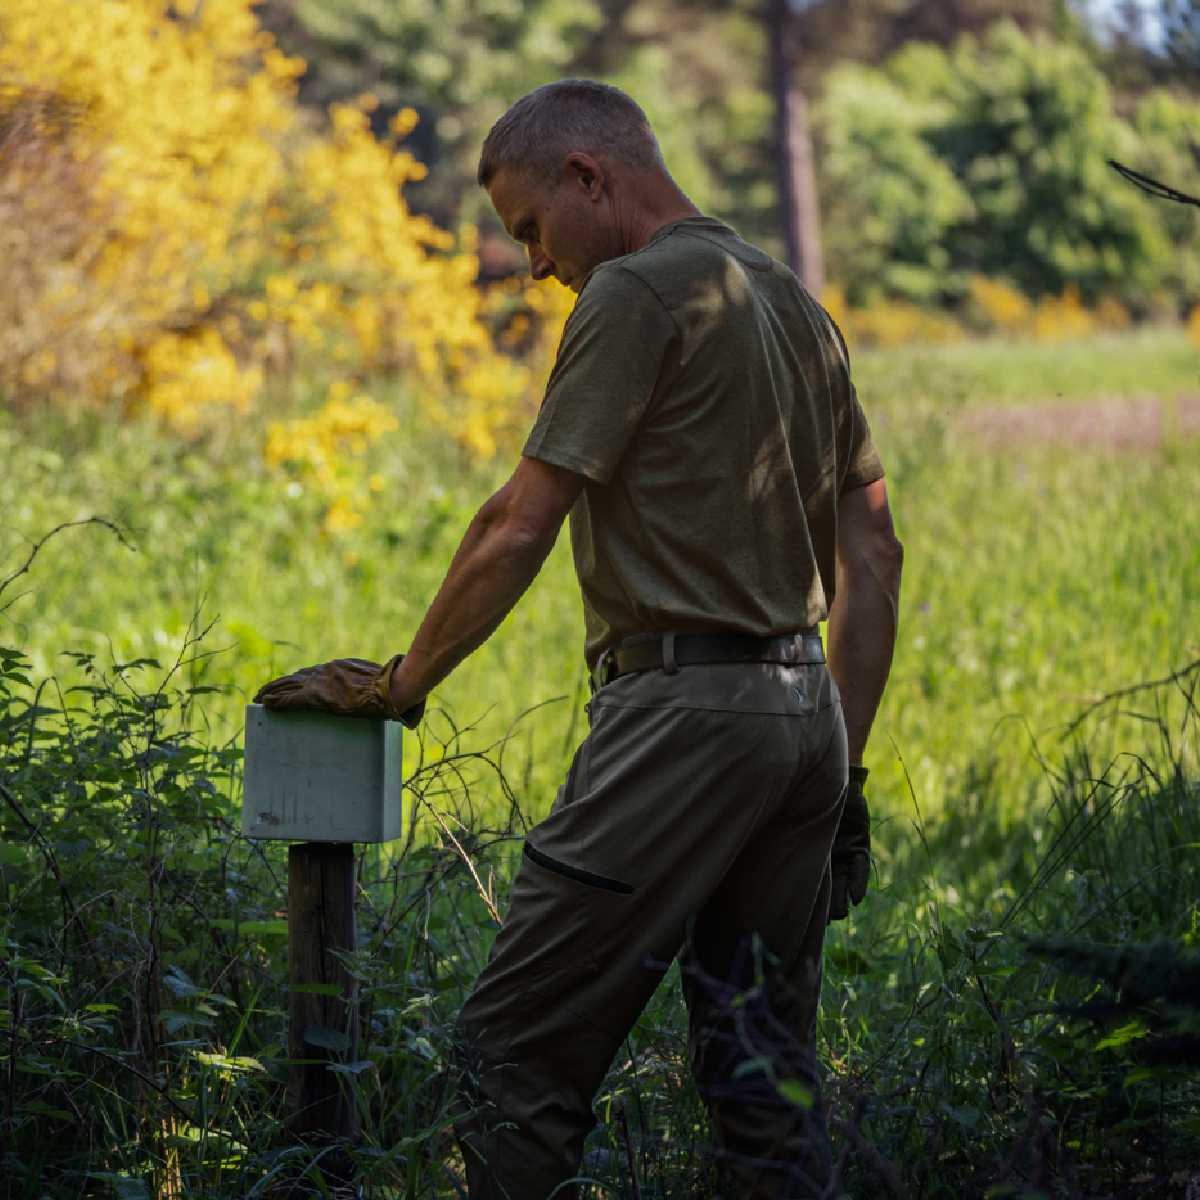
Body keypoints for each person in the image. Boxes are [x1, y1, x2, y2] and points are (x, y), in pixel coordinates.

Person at [255, 79, 902, 1199]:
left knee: (510, 1054)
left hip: (683, 723)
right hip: (804, 722)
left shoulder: (636, 295)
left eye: (532, 230)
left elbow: (517, 524)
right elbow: (877, 554)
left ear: (589, 176)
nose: (537, 264)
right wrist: (843, 769)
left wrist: (404, 684)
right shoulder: (794, 300)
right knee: (765, 1082)